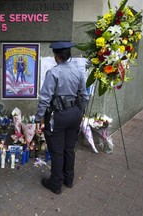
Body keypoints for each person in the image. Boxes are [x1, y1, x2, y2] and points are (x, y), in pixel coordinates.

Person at [34, 41, 89, 195]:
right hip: (75, 113)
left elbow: (45, 99)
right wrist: (80, 112)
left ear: (56, 55)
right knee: (69, 148)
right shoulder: (78, 72)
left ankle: (56, 183)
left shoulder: (53, 73)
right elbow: (85, 96)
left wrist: (38, 118)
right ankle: (68, 179)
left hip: (58, 115)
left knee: (57, 150)